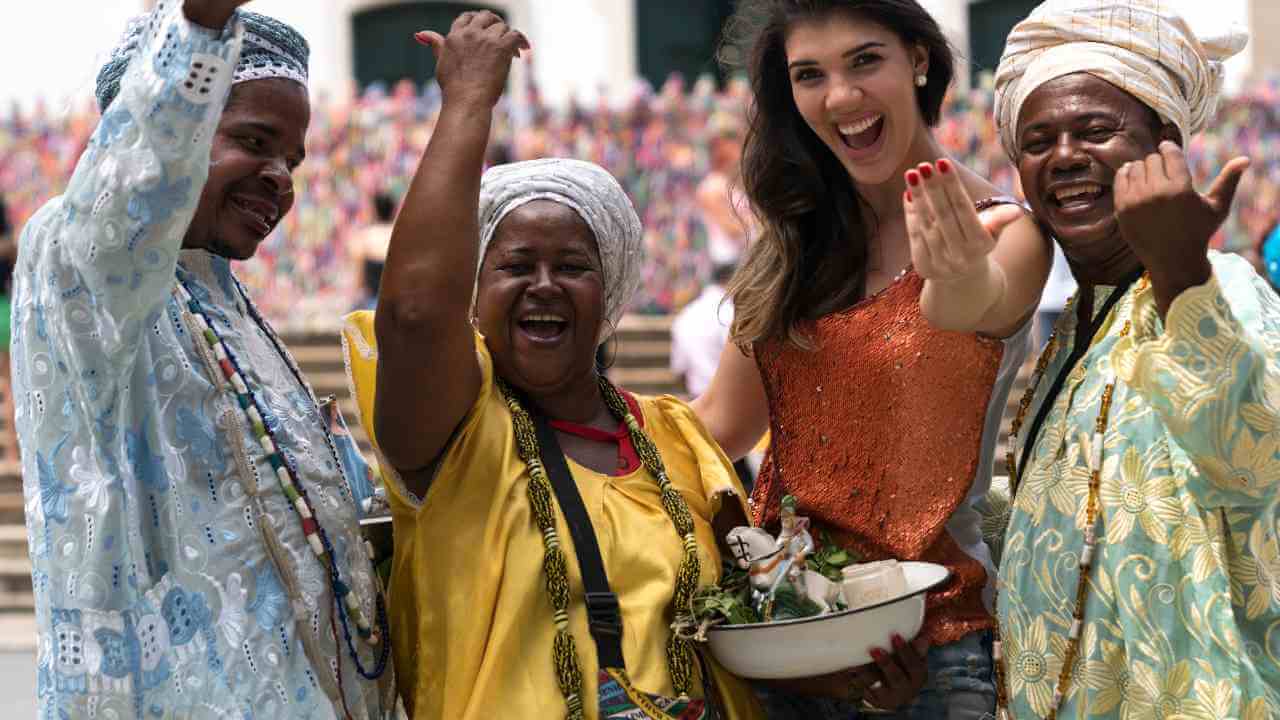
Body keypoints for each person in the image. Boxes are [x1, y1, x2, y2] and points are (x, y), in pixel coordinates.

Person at [339, 12, 764, 719]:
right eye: (513, 266)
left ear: (611, 294)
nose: (544, 284)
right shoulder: (455, 437)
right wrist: (469, 103)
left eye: (572, 266)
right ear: (470, 294)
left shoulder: (674, 439)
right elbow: (413, 313)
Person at [12, 2, 395, 716]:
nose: (282, 178)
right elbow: (129, 193)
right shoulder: (76, 266)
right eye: (255, 140)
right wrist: (201, 28)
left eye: (294, 159)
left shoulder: (227, 303)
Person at [694, 1, 1054, 716]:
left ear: (918, 59)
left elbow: (975, 301)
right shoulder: (792, 247)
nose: (841, 97)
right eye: (809, 75)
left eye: (865, 60)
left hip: (930, 651)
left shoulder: (1006, 231)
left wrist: (953, 275)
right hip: (784, 643)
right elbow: (720, 425)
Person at [983, 1, 1280, 717]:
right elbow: (1070, 519)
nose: (1064, 156)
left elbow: (1255, 459)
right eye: (1038, 139)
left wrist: (1181, 267)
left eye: (1095, 130)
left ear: (1166, 145)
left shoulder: (1221, 289)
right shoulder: (1071, 332)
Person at [352, 191, 397, 310]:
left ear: (375, 211)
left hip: (372, 304)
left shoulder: (365, 239)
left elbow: (359, 280)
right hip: (395, 304)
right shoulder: (400, 237)